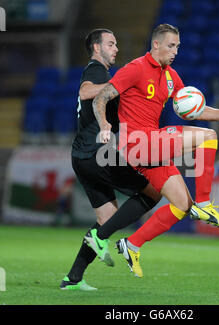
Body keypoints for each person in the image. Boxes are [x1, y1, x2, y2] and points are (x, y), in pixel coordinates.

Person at [93, 24, 219, 277]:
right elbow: (100, 98)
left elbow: (197, 110)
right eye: (171, 46)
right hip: (138, 143)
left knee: (182, 205)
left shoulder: (171, 76)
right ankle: (204, 203)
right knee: (209, 137)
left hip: (151, 148)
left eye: (178, 47)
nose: (175, 52)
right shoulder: (136, 68)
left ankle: (132, 244)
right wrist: (105, 124)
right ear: (156, 44)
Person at [60, 29, 161, 290]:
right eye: (111, 43)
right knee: (153, 192)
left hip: (81, 156)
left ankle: (73, 279)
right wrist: (119, 85)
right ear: (96, 47)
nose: (116, 48)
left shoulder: (102, 73)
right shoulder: (96, 69)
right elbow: (85, 92)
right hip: (96, 153)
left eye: (116, 43)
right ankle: (98, 237)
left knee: (107, 217)